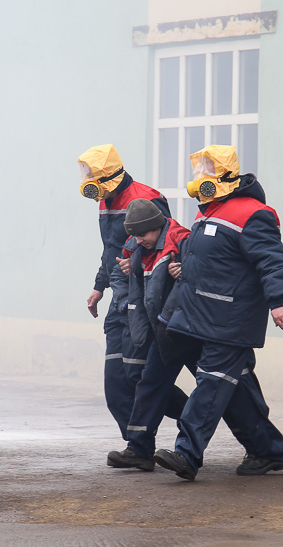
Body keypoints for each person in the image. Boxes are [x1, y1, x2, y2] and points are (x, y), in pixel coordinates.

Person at [153, 144, 283, 481]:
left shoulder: (253, 212)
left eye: (206, 171)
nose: (199, 178)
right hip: (205, 317)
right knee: (236, 387)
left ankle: (186, 455)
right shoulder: (208, 211)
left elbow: (273, 261)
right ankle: (269, 451)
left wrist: (279, 301)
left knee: (211, 385)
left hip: (231, 320)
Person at [77, 144, 188, 444]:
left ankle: (192, 415)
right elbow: (111, 251)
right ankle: (136, 446)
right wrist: (99, 287)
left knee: (139, 377)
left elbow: (165, 243)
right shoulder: (104, 201)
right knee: (115, 384)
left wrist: (138, 263)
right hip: (119, 296)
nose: (85, 180)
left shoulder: (146, 198)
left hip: (145, 299)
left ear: (105, 175)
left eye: (90, 174)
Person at [105, 199, 203, 471]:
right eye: (134, 235)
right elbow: (120, 272)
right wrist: (126, 291)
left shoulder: (181, 240)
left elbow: (206, 271)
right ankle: (139, 449)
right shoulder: (136, 246)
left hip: (189, 329)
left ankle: (265, 448)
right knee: (149, 384)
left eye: (143, 234)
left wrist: (184, 271)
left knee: (220, 391)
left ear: (157, 227)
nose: (138, 240)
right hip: (164, 330)